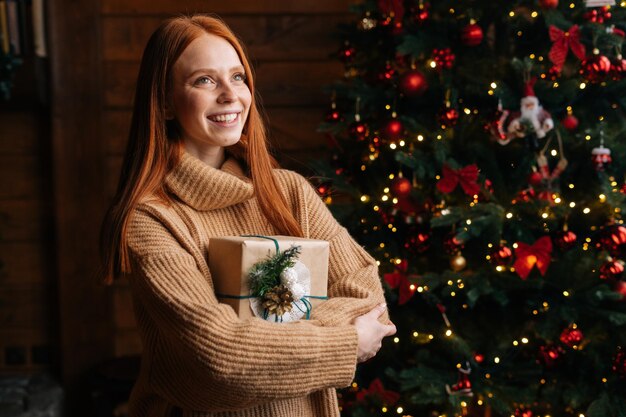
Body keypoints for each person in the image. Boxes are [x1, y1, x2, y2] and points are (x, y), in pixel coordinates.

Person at [100, 14, 396, 417]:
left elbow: (368, 299)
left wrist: (260, 347)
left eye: (238, 77)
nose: (229, 94)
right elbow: (220, 357)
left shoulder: (289, 192)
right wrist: (345, 344)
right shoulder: (152, 220)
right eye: (204, 80)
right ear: (165, 102)